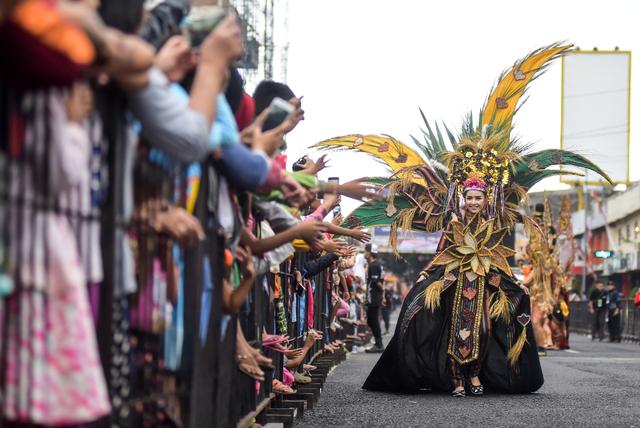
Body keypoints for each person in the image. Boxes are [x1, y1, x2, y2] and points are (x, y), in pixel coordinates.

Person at [316, 45, 611, 397]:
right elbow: (445, 250)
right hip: (455, 280)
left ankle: (477, 377)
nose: (474, 203)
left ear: (486, 198)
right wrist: (433, 274)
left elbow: (497, 252)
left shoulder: (494, 221)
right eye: (469, 198)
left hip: (485, 279)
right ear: (462, 198)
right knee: (442, 322)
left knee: (487, 327)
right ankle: (455, 377)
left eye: (479, 198)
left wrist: (509, 277)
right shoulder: (453, 220)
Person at [364, 244, 385, 353]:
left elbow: (377, 282)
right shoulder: (378, 264)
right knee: (371, 320)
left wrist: (383, 294)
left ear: (369, 252)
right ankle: (378, 342)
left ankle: (379, 344)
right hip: (374, 297)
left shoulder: (373, 265)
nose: (365, 253)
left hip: (373, 297)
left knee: (373, 321)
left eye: (366, 251)